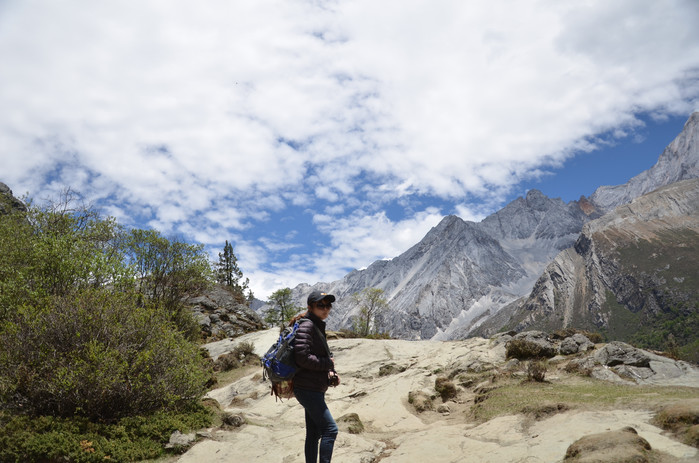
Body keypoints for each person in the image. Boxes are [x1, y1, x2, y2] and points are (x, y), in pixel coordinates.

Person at [292, 291, 340, 463]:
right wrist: (327, 363)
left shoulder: (316, 324)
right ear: (310, 307)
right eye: (321, 305)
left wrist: (329, 369)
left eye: (328, 305)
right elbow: (302, 357)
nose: (326, 309)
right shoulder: (308, 326)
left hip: (312, 386)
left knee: (314, 433)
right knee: (330, 430)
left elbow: (316, 353)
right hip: (307, 388)